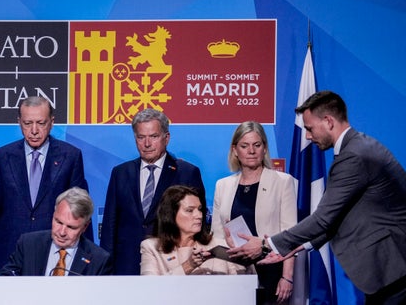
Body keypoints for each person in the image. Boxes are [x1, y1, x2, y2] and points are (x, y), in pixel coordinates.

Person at [228, 91, 406, 304]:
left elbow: (323, 218)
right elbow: (339, 216)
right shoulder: (356, 148)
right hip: (387, 270)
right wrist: (299, 246)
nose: (308, 136)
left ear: (328, 121)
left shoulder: (355, 155)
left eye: (310, 128)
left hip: (394, 267)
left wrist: (268, 245)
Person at [0, 96, 90, 275]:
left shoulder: (70, 156)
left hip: (54, 252)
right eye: (27, 123)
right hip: (9, 253)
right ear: (19, 122)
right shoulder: (3, 156)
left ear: (52, 122)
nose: (34, 130)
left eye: (40, 123)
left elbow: (80, 212)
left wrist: (84, 259)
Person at [101, 108, 205, 275]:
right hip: (126, 265)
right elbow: (110, 225)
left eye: (154, 136)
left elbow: (198, 224)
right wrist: (106, 268)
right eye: (141, 137)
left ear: (166, 138)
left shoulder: (186, 172)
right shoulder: (120, 173)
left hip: (168, 264)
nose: (147, 143)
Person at [212, 121, 296, 304]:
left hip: (272, 270)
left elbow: (290, 235)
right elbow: (217, 235)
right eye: (244, 146)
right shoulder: (222, 186)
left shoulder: (283, 182)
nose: (251, 151)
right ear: (235, 150)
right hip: (235, 272)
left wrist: (287, 277)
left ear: (264, 148)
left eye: (256, 145)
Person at [0, 187, 112, 276]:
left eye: (71, 227)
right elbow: (5, 280)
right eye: (58, 222)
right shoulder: (28, 244)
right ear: (53, 214)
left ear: (85, 227)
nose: (62, 232)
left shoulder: (99, 261)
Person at [141, 185, 252, 275]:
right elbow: (151, 289)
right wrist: (188, 266)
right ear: (170, 214)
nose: (199, 215)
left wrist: (240, 251)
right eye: (190, 210)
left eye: (200, 209)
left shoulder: (218, 244)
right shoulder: (151, 247)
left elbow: (247, 281)